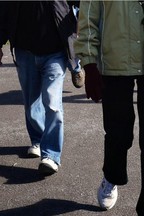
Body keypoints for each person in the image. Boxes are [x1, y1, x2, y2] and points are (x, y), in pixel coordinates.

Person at [0, 0, 79, 175]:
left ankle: (51, 156)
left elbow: (82, 5)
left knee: (52, 102)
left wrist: (80, 31)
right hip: (25, 50)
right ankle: (38, 139)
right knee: (31, 103)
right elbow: (2, 9)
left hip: (56, 50)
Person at [74, 1, 144, 214]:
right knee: (118, 133)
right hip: (114, 63)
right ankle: (111, 177)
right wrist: (89, 63)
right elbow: (88, 19)